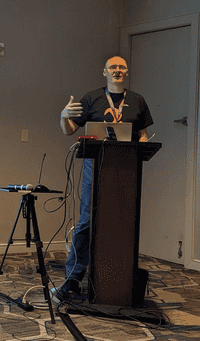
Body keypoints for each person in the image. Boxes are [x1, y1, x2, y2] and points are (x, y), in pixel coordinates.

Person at [54, 55, 153, 301]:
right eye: (113, 67)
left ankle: (117, 280)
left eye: (121, 67)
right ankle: (73, 280)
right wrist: (63, 115)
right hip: (95, 167)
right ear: (104, 72)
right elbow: (69, 130)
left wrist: (143, 146)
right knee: (87, 223)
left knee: (122, 222)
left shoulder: (137, 100)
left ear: (126, 71)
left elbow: (142, 134)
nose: (117, 70)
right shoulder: (92, 98)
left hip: (126, 169)